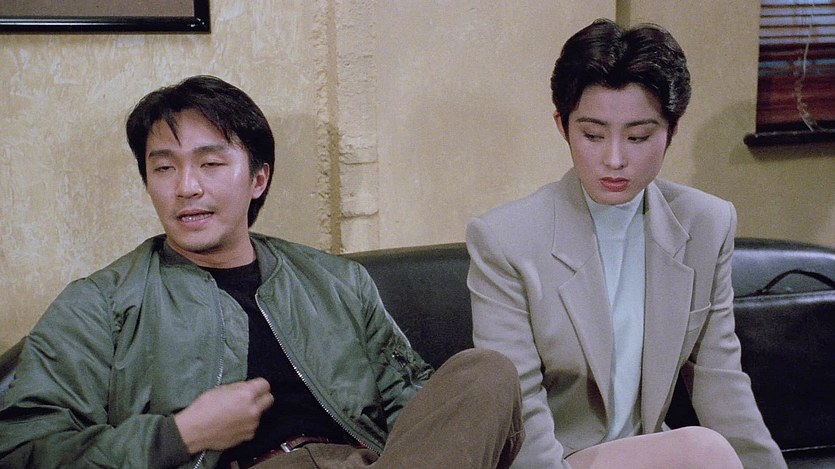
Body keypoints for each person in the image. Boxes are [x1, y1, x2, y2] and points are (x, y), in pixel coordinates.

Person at [0, 75, 524, 469]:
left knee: (485, 372)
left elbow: (415, 406)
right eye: (163, 167)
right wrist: (181, 435)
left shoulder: (337, 283)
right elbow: (24, 449)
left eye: (210, 164)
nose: (186, 187)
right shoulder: (99, 304)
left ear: (258, 179)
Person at [466, 19, 787, 469]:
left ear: (672, 131)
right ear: (563, 126)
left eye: (638, 137)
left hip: (650, 456)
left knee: (708, 450)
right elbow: (521, 412)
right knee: (703, 451)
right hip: (555, 462)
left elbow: (722, 386)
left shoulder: (706, 224)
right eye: (593, 135)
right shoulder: (505, 239)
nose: (614, 159)